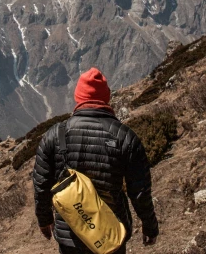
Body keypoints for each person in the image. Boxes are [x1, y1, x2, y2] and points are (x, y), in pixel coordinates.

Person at [32, 67, 159, 253]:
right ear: (106, 97)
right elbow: (139, 191)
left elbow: (41, 183)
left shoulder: (54, 135)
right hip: (110, 232)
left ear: (78, 97)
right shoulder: (124, 137)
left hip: (71, 231)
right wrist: (149, 226)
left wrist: (44, 220)